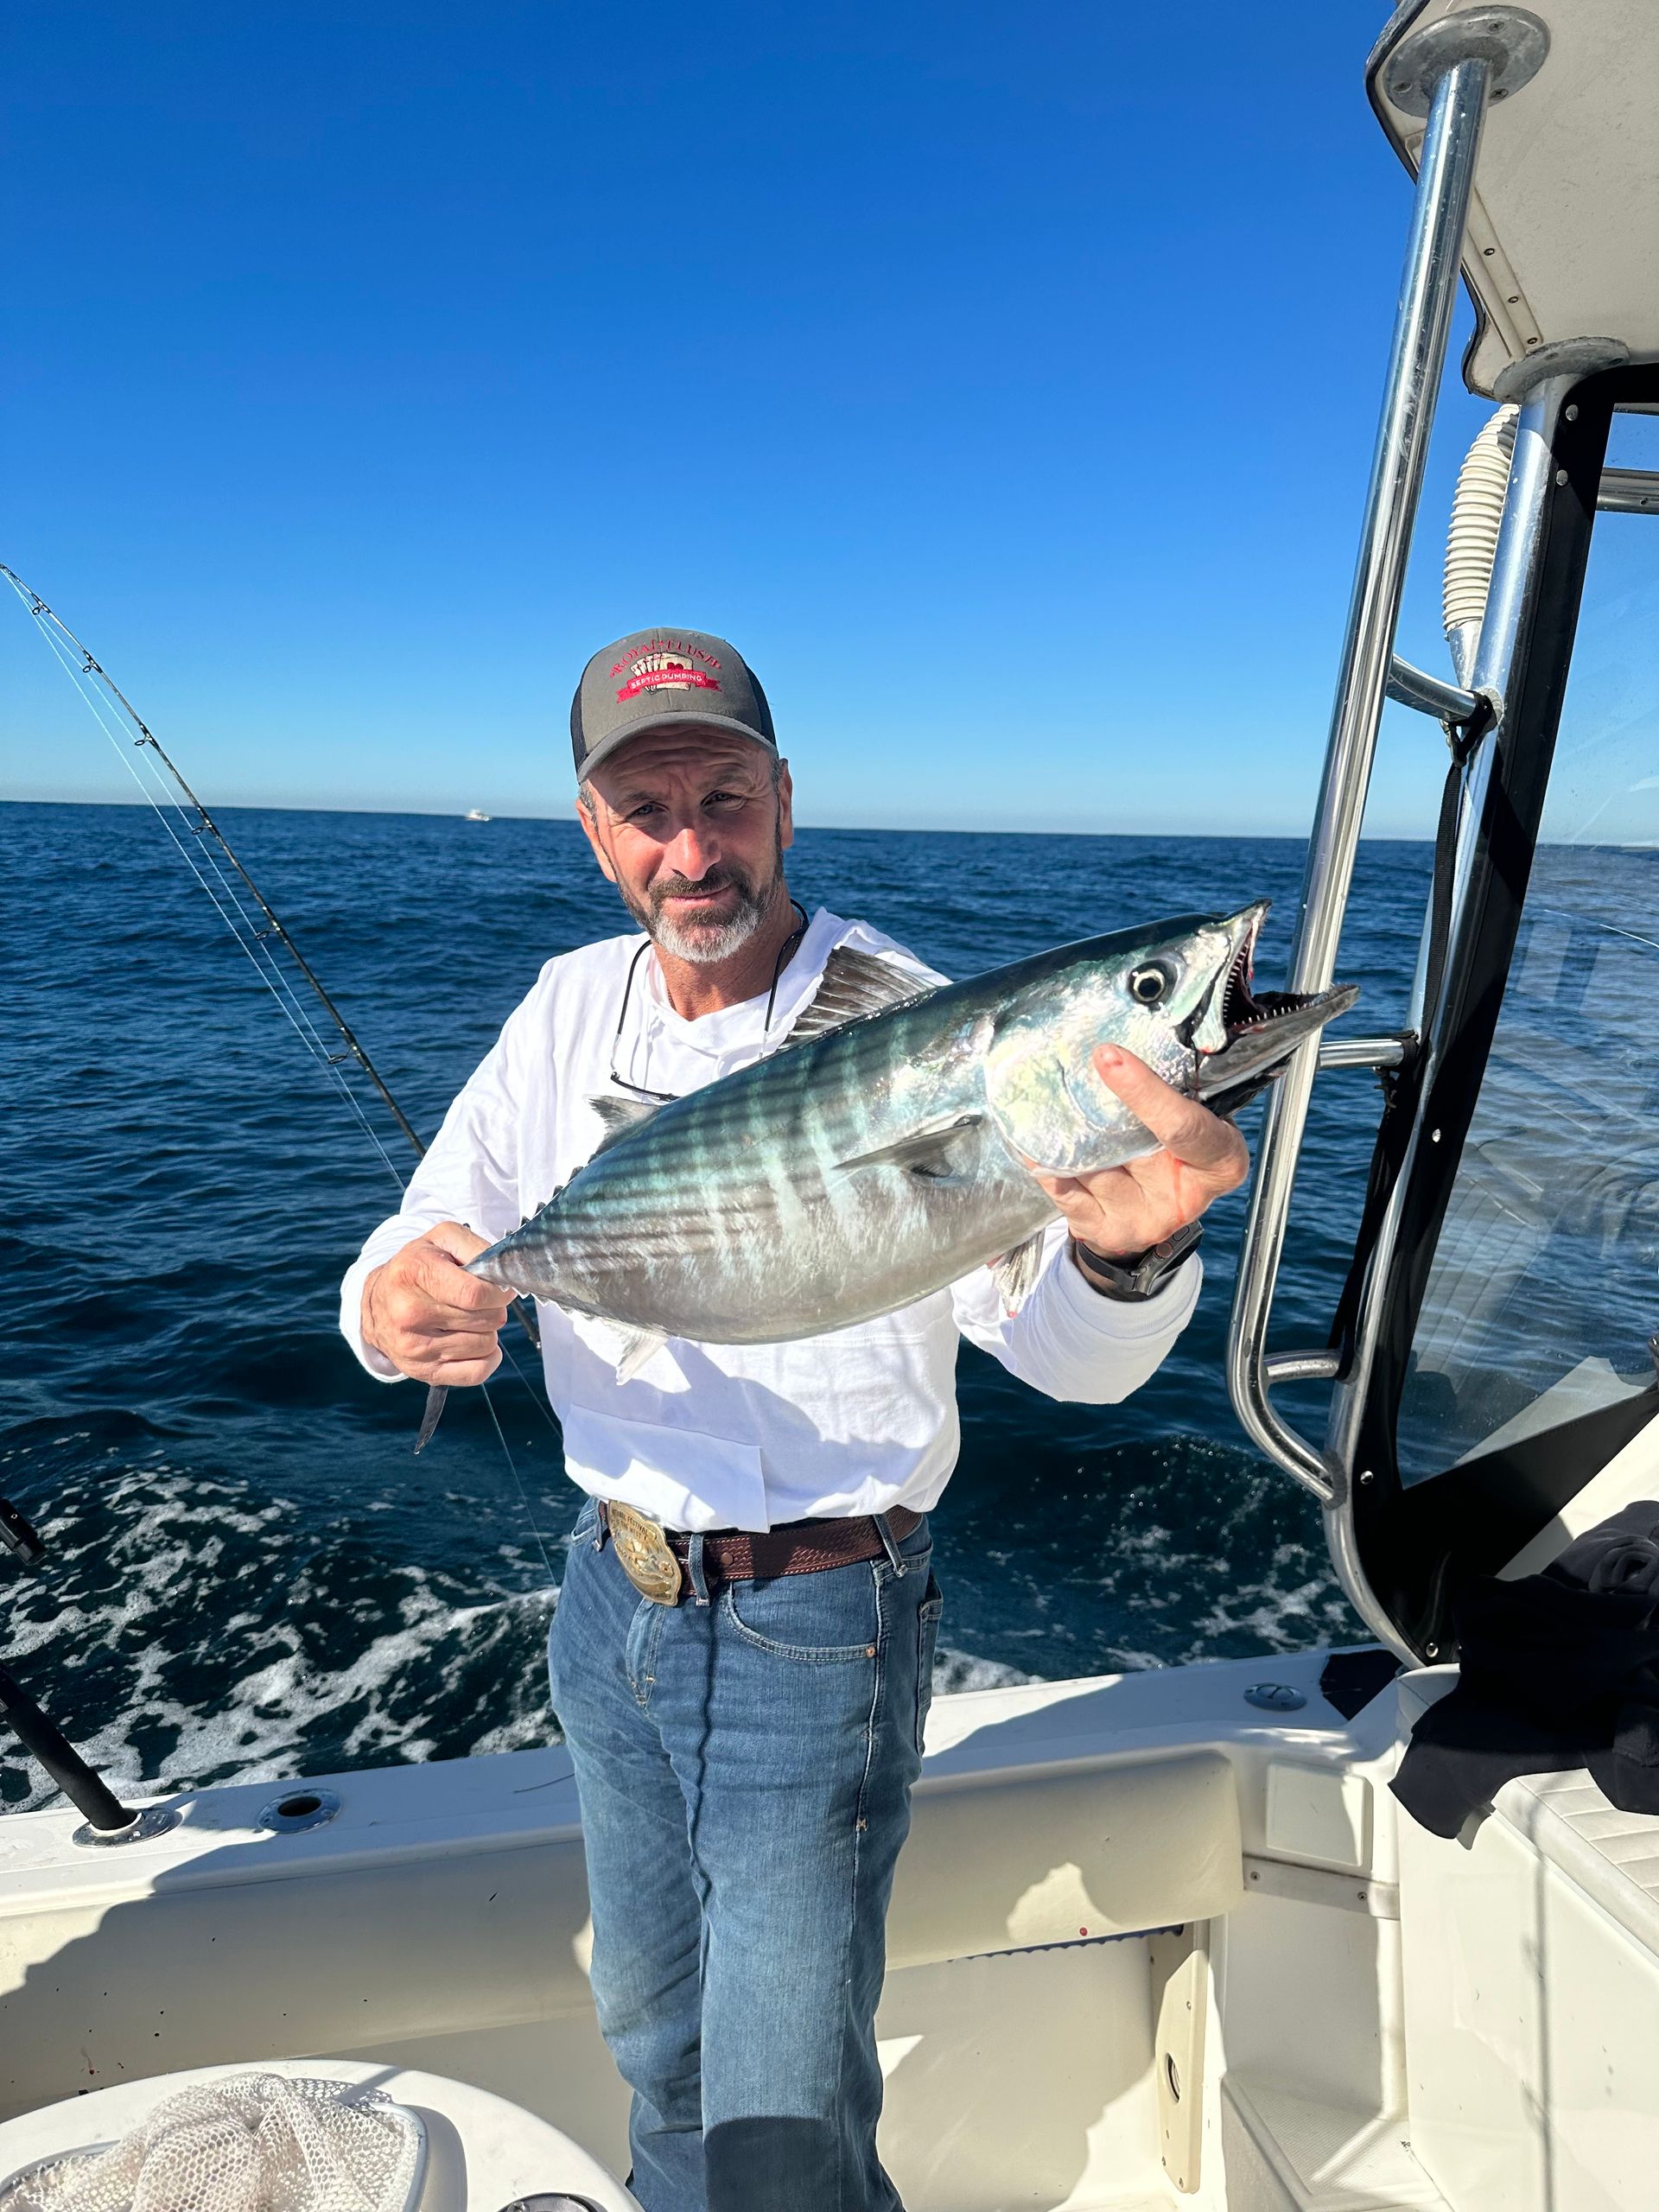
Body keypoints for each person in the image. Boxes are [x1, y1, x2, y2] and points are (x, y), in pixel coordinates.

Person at [340, 627, 1248, 2212]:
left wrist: (1135, 1248)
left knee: (777, 2108)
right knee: (653, 2042)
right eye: (649, 809)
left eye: (728, 797)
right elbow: (431, 1230)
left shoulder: (921, 1020)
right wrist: (394, 1306)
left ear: (784, 797)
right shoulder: (564, 1008)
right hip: (606, 1599)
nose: (695, 849)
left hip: (816, 1621)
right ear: (595, 832)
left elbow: (1072, 1360)